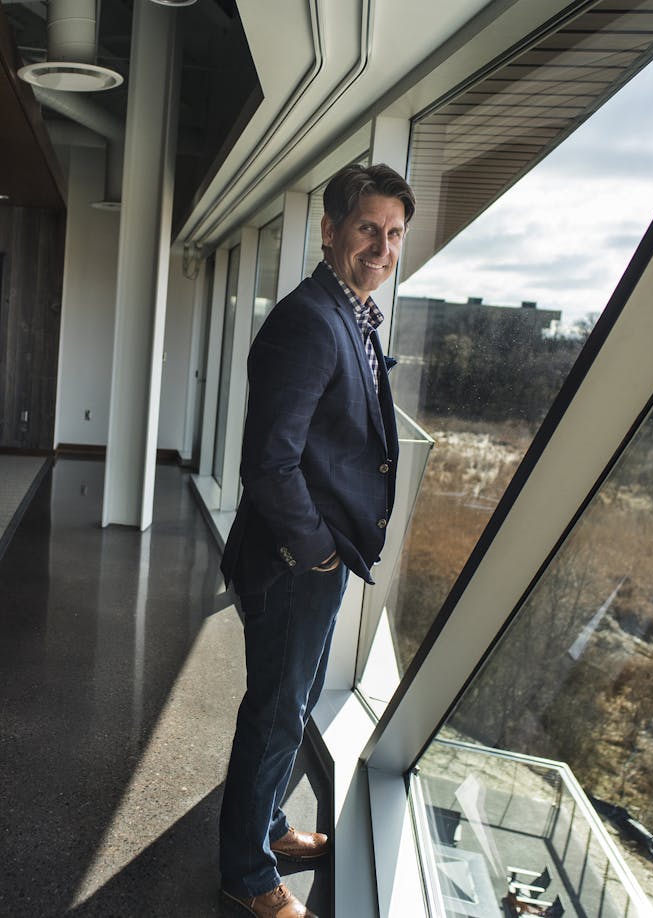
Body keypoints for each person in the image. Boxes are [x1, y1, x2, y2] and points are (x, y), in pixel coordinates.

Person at [219, 163, 414, 918]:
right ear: (330, 230)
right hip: (294, 559)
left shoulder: (350, 309)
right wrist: (319, 552)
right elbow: (268, 461)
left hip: (311, 556)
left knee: (287, 704)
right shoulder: (308, 320)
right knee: (273, 713)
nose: (382, 246)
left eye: (394, 233)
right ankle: (245, 873)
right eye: (369, 228)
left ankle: (266, 830)